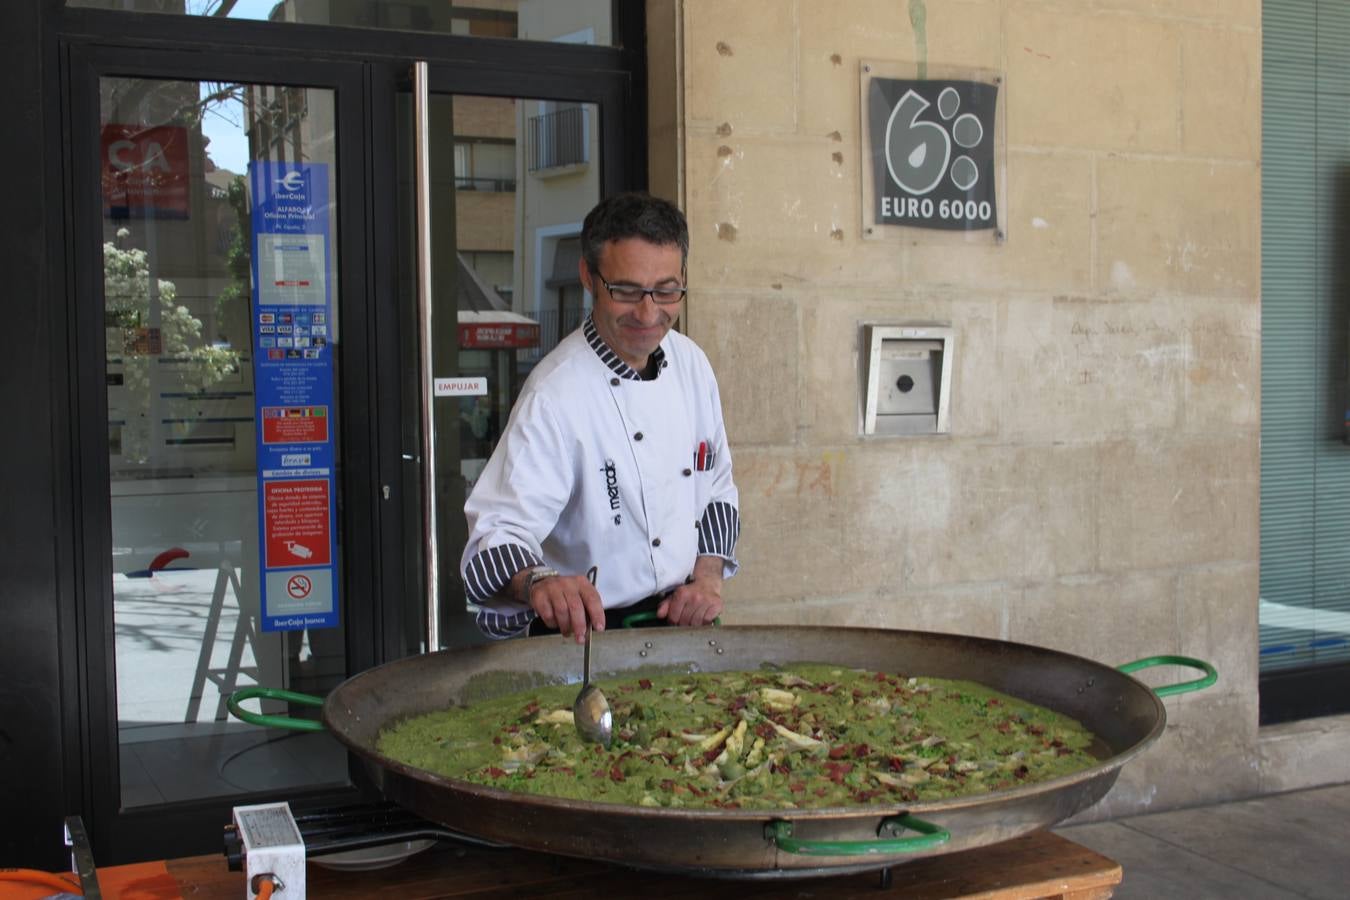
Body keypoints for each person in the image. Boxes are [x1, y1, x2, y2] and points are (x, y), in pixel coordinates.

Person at [459, 192, 740, 642]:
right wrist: (540, 582)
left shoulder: (692, 365)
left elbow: (716, 491)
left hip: (683, 631)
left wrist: (707, 580)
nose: (649, 313)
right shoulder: (555, 394)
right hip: (583, 643)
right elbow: (495, 536)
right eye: (626, 291)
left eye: (666, 290)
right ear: (588, 276)